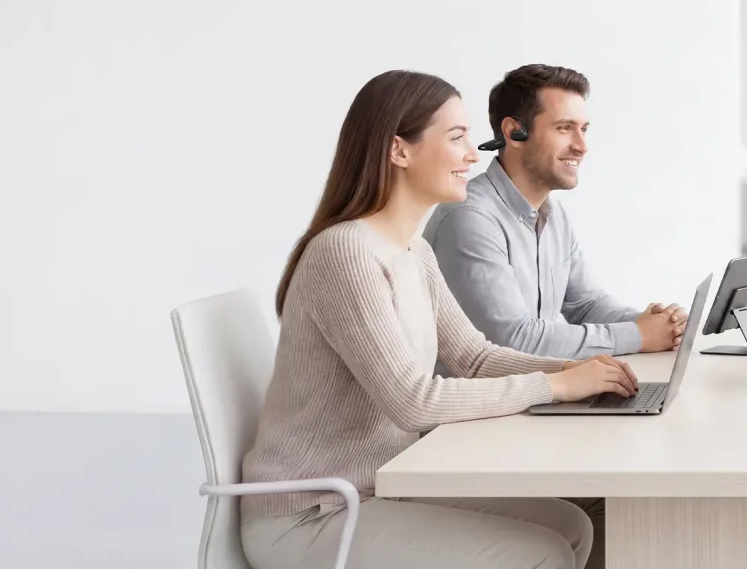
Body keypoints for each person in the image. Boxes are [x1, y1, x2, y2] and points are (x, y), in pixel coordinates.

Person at [240, 70, 640, 569]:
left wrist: (573, 373)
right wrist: (554, 388)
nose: (474, 155)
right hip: (314, 514)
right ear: (399, 151)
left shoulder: (415, 251)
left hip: (381, 488)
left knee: (572, 526)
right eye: (456, 138)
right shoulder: (345, 253)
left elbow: (474, 358)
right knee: (544, 554)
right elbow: (413, 400)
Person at [426, 64, 686, 359]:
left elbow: (586, 305)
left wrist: (656, 324)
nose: (581, 146)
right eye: (565, 128)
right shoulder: (470, 218)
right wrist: (639, 335)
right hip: (485, 403)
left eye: (584, 129)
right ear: (514, 132)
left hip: (536, 396)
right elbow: (514, 340)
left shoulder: (554, 215)